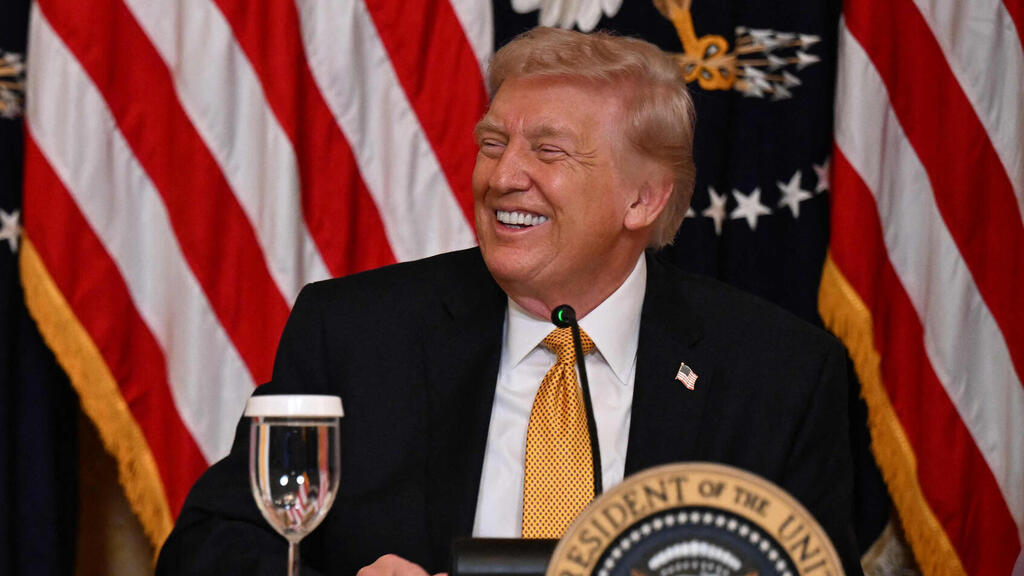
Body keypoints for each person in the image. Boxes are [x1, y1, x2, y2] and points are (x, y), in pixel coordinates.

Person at [157, 27, 861, 576]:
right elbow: (208, 546)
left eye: (548, 152)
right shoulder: (357, 335)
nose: (502, 176)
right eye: (493, 143)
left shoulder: (778, 375)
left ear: (643, 198)